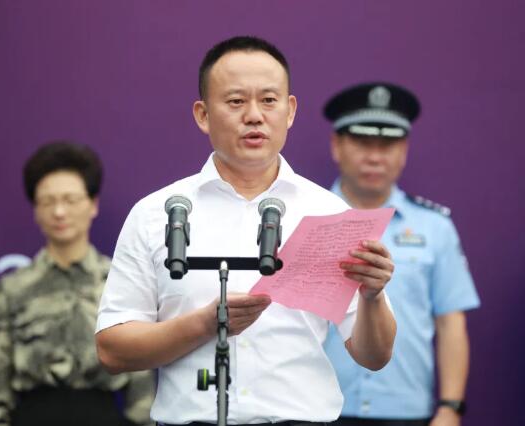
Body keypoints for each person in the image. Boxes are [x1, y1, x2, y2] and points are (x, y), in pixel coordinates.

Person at [95, 36, 396, 425]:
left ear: (290, 111)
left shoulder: (329, 214)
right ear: (203, 115)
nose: (254, 116)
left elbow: (373, 356)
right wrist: (205, 325)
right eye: (236, 101)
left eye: (269, 100)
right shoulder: (157, 214)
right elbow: (112, 350)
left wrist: (373, 295)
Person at [322, 82, 481, 426]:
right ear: (336, 145)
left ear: (404, 150)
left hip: (406, 412)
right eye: (362, 142)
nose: (375, 157)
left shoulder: (435, 227)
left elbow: (450, 322)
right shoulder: (308, 220)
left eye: (387, 145)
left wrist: (450, 407)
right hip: (318, 408)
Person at [0, 142, 155, 426]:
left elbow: (141, 385)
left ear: (93, 204)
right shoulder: (12, 290)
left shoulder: (119, 282)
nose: (59, 212)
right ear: (36, 209)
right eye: (48, 201)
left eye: (70, 200)